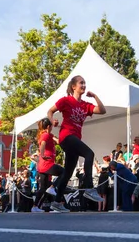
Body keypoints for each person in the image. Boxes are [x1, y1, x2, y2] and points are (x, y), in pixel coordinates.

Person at [47, 75, 106, 212]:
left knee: (67, 173)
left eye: (85, 83)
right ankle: (89, 188)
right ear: (74, 86)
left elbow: (102, 111)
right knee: (89, 154)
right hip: (66, 136)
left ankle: (57, 202)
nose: (84, 85)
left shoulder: (85, 105)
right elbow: (50, 111)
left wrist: (95, 96)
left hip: (75, 139)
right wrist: (52, 121)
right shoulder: (66, 100)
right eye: (81, 83)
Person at [32, 118, 66, 213]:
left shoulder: (48, 135)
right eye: (51, 126)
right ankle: (52, 187)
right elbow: (43, 144)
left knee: (43, 188)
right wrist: (42, 155)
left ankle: (35, 206)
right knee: (64, 172)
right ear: (48, 127)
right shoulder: (45, 135)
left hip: (42, 166)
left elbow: (58, 141)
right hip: (47, 164)